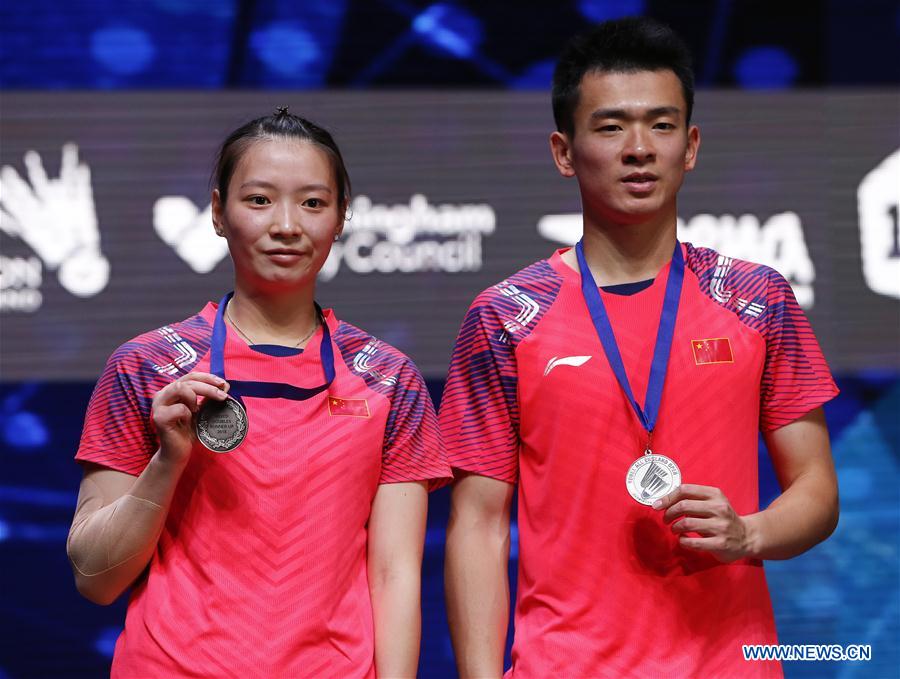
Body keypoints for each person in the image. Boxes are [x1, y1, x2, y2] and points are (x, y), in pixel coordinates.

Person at [440, 17, 839, 679]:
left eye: (661, 124)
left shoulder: (755, 298)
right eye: (610, 126)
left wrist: (750, 533)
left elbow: (817, 489)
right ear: (564, 151)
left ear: (691, 145)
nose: (639, 148)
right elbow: (479, 525)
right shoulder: (506, 316)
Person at [67, 108, 451, 678]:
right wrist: (168, 460)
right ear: (219, 213)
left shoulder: (388, 378)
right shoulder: (146, 366)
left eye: (314, 203)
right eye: (259, 200)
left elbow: (395, 574)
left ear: (342, 217)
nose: (288, 225)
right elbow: (96, 579)